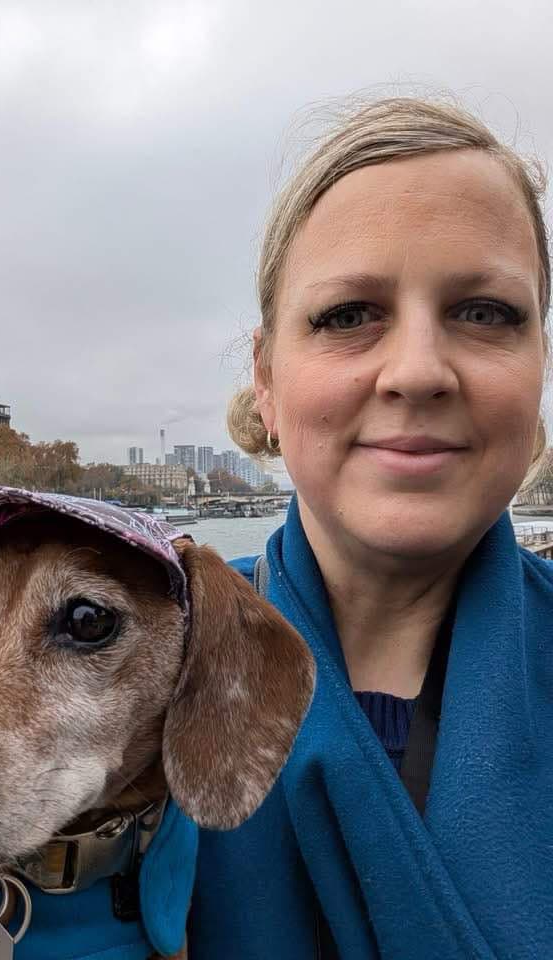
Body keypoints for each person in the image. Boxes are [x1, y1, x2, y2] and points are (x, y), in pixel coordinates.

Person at [187, 95, 553, 958]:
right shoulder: (104, 683)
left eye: (486, 312)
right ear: (266, 381)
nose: (418, 370)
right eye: (349, 315)